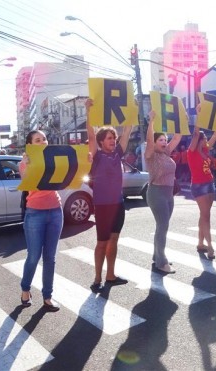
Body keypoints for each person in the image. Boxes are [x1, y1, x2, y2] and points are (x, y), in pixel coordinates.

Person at [86, 99, 133, 292]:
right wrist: (88, 111)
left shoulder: (117, 155)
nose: (113, 140)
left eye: (113, 138)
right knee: (101, 242)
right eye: (108, 138)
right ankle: (97, 278)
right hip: (103, 206)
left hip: (118, 205)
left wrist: (132, 110)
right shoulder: (97, 155)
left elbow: (127, 131)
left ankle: (110, 275)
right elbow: (90, 135)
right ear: (101, 142)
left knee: (114, 240)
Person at [19, 130, 62, 312]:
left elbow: (70, 174)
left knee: (50, 258)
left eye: (44, 138)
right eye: (38, 140)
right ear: (30, 145)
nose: (43, 141)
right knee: (33, 256)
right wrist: (28, 163)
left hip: (55, 211)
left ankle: (47, 296)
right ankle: (25, 289)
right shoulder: (24, 163)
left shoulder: (55, 160)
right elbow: (30, 181)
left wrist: (84, 161)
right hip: (35, 213)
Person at [144, 111, 182, 274]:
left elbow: (177, 137)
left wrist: (182, 121)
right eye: (161, 139)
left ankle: (157, 256)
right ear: (154, 142)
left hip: (168, 194)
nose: (165, 142)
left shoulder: (166, 153)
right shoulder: (150, 155)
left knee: (162, 227)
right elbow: (149, 141)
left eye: (165, 139)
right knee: (163, 226)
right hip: (156, 192)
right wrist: (151, 121)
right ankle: (161, 262)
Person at [188, 123, 216, 259]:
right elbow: (195, 134)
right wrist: (199, 116)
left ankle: (201, 243)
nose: (207, 140)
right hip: (199, 185)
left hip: (210, 183)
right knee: (206, 216)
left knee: (204, 215)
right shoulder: (191, 151)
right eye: (205, 138)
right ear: (199, 140)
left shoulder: (206, 150)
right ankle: (210, 246)